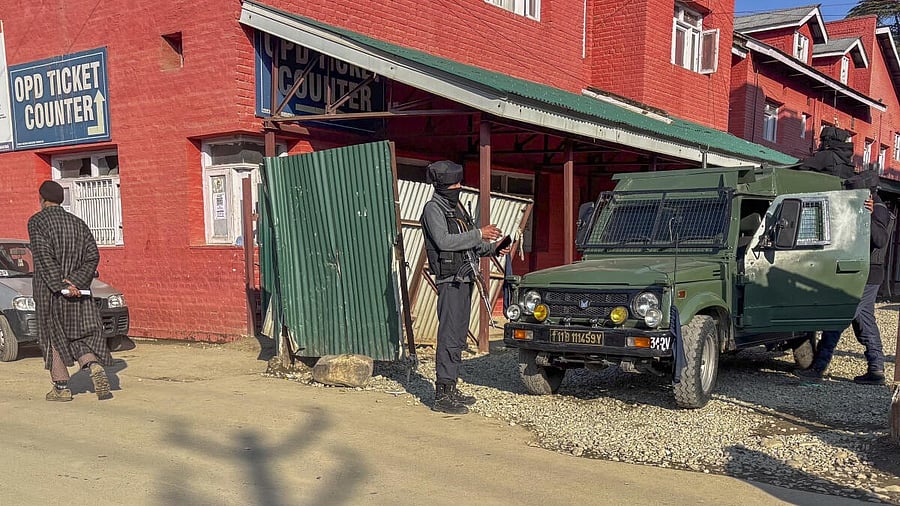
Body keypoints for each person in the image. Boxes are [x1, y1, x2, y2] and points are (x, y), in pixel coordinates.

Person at [420, 161, 509, 414]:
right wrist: (480, 233)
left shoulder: (456, 207)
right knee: (449, 336)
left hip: (465, 278)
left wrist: (494, 247)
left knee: (458, 337)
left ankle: (452, 388)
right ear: (443, 185)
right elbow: (445, 241)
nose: (459, 187)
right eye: (455, 184)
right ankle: (441, 394)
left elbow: (471, 243)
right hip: (450, 281)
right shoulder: (433, 210)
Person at [797, 173, 892, 385]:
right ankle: (876, 369)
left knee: (838, 316)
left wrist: (867, 214)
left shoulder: (878, 209)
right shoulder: (869, 206)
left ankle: (819, 366)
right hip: (863, 273)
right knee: (864, 322)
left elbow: (880, 239)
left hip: (866, 274)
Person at [28, 180, 115, 401]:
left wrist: (62, 285)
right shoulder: (78, 223)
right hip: (79, 291)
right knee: (79, 334)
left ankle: (61, 387)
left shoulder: (37, 222)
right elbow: (92, 256)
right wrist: (76, 281)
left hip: (50, 291)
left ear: (41, 199)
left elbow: (43, 256)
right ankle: (92, 364)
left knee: (52, 336)